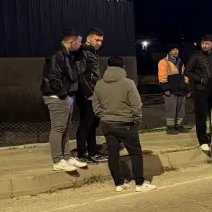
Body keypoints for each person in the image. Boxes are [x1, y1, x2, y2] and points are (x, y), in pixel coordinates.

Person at [91, 56, 156, 191]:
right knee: (135, 154)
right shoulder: (128, 83)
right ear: (123, 67)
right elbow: (136, 104)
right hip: (127, 123)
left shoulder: (99, 84)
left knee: (113, 154)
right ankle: (139, 183)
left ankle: (118, 184)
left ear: (107, 67)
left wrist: (104, 116)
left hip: (108, 124)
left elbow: (96, 105)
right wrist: (136, 120)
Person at [41, 29, 87, 172]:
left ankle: (66, 157)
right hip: (57, 97)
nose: (80, 44)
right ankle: (57, 160)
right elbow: (54, 77)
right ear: (71, 42)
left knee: (65, 129)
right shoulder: (58, 55)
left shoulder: (66, 54)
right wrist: (63, 94)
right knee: (58, 128)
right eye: (79, 42)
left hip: (65, 96)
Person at [74, 27, 105, 164]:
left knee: (93, 123)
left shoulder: (93, 53)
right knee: (86, 123)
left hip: (94, 93)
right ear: (88, 39)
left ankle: (93, 151)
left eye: (101, 41)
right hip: (86, 95)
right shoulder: (82, 52)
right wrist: (88, 93)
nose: (99, 43)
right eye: (97, 40)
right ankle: (82, 153)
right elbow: (80, 74)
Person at [185, 35, 212, 152]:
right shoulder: (196, 55)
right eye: (203, 43)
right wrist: (200, 79)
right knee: (201, 117)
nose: (204, 45)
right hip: (201, 90)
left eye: (207, 43)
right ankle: (203, 141)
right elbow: (187, 71)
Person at [158, 46, 188, 134]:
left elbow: (185, 76)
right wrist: (166, 89)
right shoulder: (163, 62)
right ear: (169, 51)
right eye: (173, 50)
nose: (175, 51)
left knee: (181, 110)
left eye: (176, 49)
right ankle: (170, 128)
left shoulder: (180, 62)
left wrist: (187, 88)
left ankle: (179, 126)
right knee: (171, 110)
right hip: (170, 91)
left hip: (181, 89)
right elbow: (162, 77)